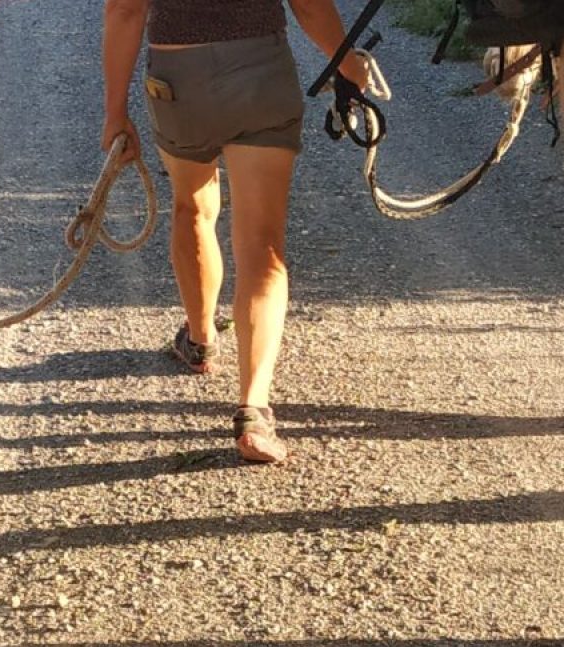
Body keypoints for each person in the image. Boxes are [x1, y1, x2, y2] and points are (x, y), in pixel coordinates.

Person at [101, 0, 368, 464]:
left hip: (178, 77)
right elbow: (307, 5)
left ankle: (201, 339)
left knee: (192, 207)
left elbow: (124, 10)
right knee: (263, 246)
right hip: (260, 72)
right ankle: (253, 409)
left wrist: (114, 111)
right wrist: (347, 61)